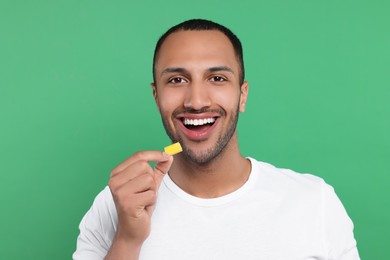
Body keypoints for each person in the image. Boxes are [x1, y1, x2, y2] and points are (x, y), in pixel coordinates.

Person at [73, 19, 360, 260]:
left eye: (217, 78)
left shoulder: (314, 201)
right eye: (177, 80)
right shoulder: (115, 205)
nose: (196, 102)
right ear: (156, 96)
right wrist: (127, 241)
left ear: (243, 95)